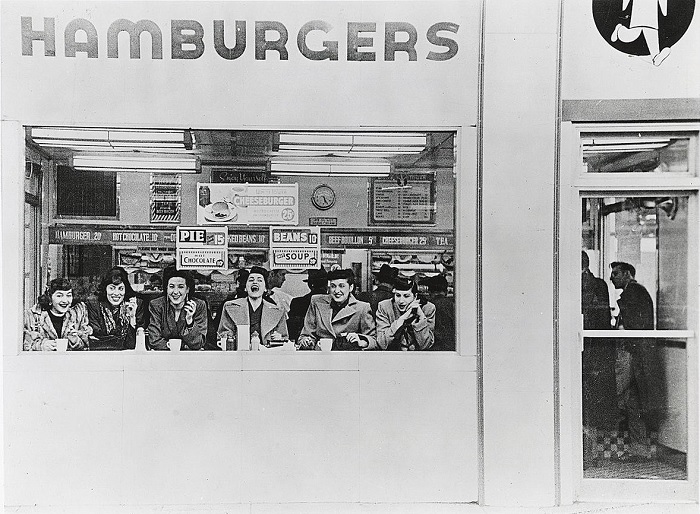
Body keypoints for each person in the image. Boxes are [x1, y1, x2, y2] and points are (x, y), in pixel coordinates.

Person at [610, 260, 665, 461]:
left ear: (626, 274)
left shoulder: (633, 293)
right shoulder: (636, 292)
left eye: (615, 274)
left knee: (617, 393)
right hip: (638, 353)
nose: (611, 278)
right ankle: (638, 447)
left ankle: (633, 446)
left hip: (634, 353)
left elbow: (633, 325)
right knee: (634, 401)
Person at [580, 251, 616, 467]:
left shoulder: (593, 285)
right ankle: (587, 453)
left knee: (588, 401)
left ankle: (588, 453)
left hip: (591, 352)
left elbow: (595, 318)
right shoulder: (597, 284)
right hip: (591, 352)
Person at [298, 268, 377, 351]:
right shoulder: (316, 302)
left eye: (342, 286)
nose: (336, 291)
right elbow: (306, 335)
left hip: (348, 358)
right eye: (333, 286)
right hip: (321, 357)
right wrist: (306, 341)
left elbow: (373, 341)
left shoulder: (362, 308)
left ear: (351, 287)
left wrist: (360, 341)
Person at [217, 266, 288, 348]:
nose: (255, 282)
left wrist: (279, 338)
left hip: (266, 356)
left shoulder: (277, 311)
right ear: (246, 287)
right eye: (251, 280)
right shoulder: (230, 307)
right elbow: (222, 334)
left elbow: (284, 338)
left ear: (265, 288)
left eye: (260, 280)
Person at [86, 267, 145, 350]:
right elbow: (97, 338)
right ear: (105, 289)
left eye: (121, 289)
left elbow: (132, 344)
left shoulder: (136, 304)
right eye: (112, 288)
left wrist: (132, 318)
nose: (116, 293)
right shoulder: (94, 305)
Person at [148, 267, 207, 351]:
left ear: (187, 289)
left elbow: (198, 343)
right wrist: (183, 346)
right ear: (166, 289)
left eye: (180, 287)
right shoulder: (156, 305)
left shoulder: (199, 305)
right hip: (164, 357)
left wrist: (190, 321)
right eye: (171, 286)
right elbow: (154, 340)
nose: (175, 292)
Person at [23, 278, 91, 351]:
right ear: (50, 298)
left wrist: (75, 340)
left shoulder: (77, 314)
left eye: (68, 295)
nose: (65, 300)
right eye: (59, 296)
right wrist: (41, 346)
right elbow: (24, 345)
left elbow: (87, 346)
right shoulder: (33, 316)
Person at [376, 277, 436, 351]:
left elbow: (426, 345)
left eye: (406, 296)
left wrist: (421, 317)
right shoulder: (384, 307)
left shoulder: (428, 308)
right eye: (398, 295)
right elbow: (382, 343)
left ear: (415, 296)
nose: (401, 301)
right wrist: (401, 319)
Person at [287, 267, 328, 342]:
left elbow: (291, 331)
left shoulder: (297, 303)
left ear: (309, 284)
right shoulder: (334, 304)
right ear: (327, 285)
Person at [423, 274, 455, 351]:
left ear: (429, 292)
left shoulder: (426, 306)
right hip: (451, 348)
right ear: (446, 291)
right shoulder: (454, 306)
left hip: (431, 349)